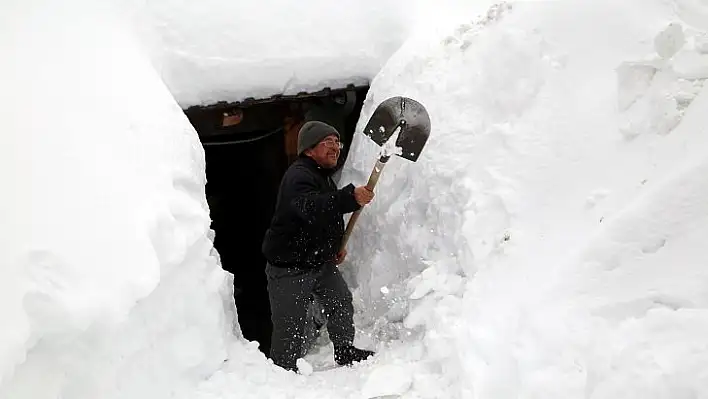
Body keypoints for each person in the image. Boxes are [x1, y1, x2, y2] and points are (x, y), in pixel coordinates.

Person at [261, 120, 375, 372]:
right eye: (328, 143)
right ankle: (282, 372)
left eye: (337, 142)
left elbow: (323, 221)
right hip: (289, 268)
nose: (335, 148)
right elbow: (312, 208)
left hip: (317, 262)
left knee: (340, 301)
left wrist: (333, 246)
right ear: (308, 149)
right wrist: (350, 197)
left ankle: (344, 349)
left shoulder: (320, 176)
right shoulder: (299, 176)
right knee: (289, 326)